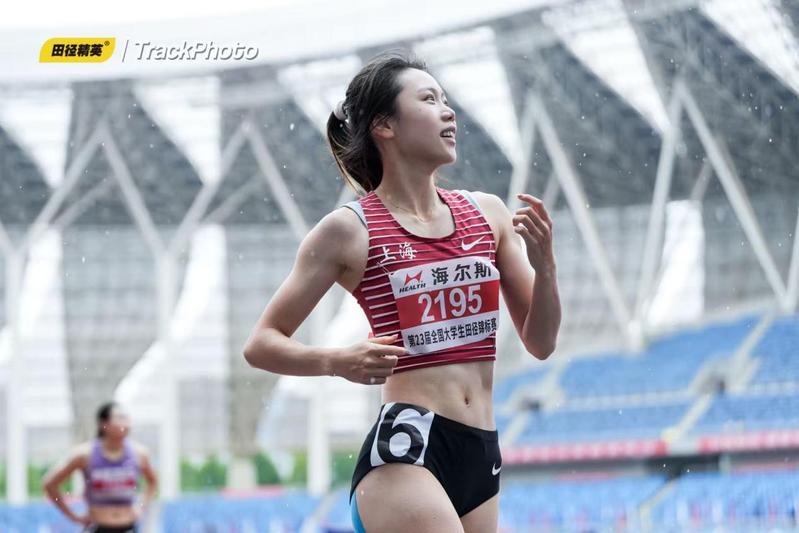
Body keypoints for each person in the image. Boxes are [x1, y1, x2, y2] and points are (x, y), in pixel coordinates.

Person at [243, 50, 561, 533]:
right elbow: (261, 343)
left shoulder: (488, 213)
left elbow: (541, 342)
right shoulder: (348, 230)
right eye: (429, 100)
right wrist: (336, 361)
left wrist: (547, 268)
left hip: (481, 449)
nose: (448, 112)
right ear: (384, 125)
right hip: (407, 447)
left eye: (446, 100)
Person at [43, 402, 158, 532]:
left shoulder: (140, 454)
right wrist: (72, 516)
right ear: (104, 424)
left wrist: (142, 505)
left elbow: (152, 481)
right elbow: (50, 484)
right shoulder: (84, 454)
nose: (126, 424)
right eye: (120, 418)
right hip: (97, 527)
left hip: (129, 526)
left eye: (127, 418)